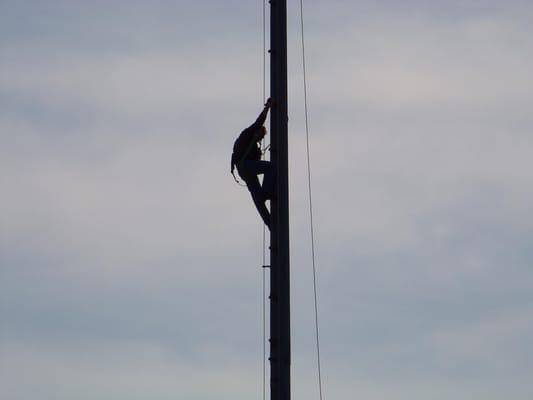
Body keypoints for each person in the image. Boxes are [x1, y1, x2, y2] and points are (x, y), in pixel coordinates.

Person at [231, 98, 274, 229]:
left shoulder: (252, 143)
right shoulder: (248, 133)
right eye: (261, 136)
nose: (260, 139)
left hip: (244, 170)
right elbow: (259, 121)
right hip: (245, 166)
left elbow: (256, 160)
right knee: (270, 167)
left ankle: (270, 224)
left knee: (258, 200)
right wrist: (268, 107)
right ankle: (266, 192)